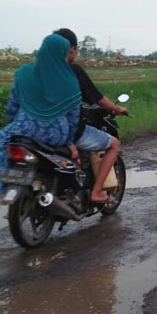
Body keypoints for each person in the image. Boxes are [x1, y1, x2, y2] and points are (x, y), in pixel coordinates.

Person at [0, 33, 82, 196]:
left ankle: (1, 187)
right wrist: (69, 141)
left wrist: (15, 125)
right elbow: (73, 117)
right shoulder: (68, 79)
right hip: (57, 134)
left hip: (24, 129)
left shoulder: (24, 74)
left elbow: (12, 106)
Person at [52, 28, 124, 204]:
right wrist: (116, 108)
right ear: (72, 49)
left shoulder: (36, 71)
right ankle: (97, 192)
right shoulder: (72, 70)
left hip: (36, 130)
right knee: (113, 144)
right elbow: (98, 98)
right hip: (67, 130)